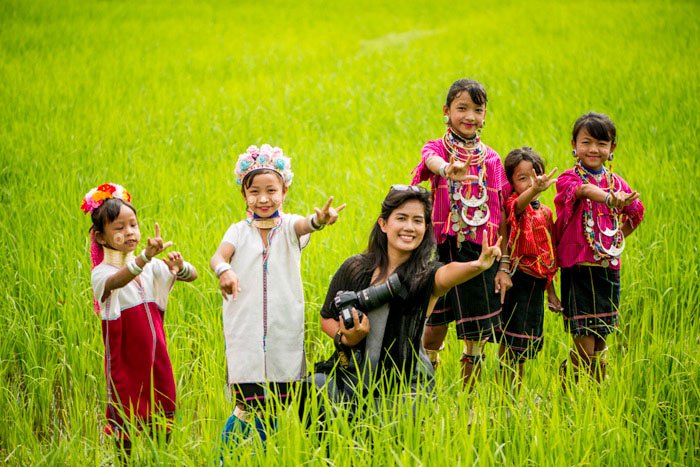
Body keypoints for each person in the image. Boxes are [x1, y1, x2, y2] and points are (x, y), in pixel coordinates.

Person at [311, 186, 502, 412]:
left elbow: (447, 274)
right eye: (401, 218)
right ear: (383, 224)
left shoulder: (425, 276)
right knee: (313, 391)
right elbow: (326, 319)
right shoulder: (355, 268)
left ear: (426, 228)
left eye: (417, 221)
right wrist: (347, 339)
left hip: (403, 386)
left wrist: (477, 265)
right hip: (352, 374)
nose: (409, 227)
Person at [210, 144, 344, 451]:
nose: (263, 198)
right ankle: (223, 456)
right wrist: (224, 272)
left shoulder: (290, 228)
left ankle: (262, 453)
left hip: (284, 330)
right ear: (244, 195)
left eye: (271, 190)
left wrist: (320, 219)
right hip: (246, 332)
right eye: (254, 191)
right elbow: (218, 257)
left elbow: (306, 224)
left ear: (284, 190)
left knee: (277, 402)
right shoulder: (237, 231)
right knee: (247, 405)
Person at [410, 78, 512, 390]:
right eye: (462, 108)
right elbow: (430, 159)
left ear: (485, 115)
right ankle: (424, 391)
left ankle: (467, 403)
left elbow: (503, 209)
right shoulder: (438, 147)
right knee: (433, 325)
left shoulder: (492, 159)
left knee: (476, 336)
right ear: (447, 111)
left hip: (479, 254)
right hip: (442, 249)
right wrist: (446, 169)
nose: (470, 116)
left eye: (477, 110)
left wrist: (504, 263)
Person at [82, 183, 198, 455]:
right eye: (119, 228)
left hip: (157, 357)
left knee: (161, 407)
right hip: (125, 361)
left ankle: (161, 458)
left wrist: (179, 267)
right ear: (100, 237)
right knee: (125, 412)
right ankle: (125, 459)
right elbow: (119, 279)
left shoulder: (151, 267)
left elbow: (193, 276)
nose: (129, 232)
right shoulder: (101, 273)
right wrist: (145, 257)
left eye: (133, 225)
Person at [554, 112, 644, 385]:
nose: (594, 149)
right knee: (583, 342)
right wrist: (609, 198)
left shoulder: (618, 184)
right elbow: (582, 192)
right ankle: (567, 387)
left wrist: (615, 239)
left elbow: (636, 211)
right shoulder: (568, 179)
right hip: (578, 270)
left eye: (602, 144)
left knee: (601, 341)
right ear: (574, 144)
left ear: (612, 148)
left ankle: (595, 396)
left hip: (607, 271)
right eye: (587, 142)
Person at [498, 147, 561, 391]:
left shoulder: (545, 213)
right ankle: (505, 395)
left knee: (522, 347)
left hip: (536, 285)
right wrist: (534, 189)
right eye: (522, 178)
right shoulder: (513, 204)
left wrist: (551, 293)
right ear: (511, 182)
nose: (531, 183)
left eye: (536, 176)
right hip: (517, 281)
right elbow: (517, 208)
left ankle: (514, 395)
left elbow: (548, 257)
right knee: (510, 342)